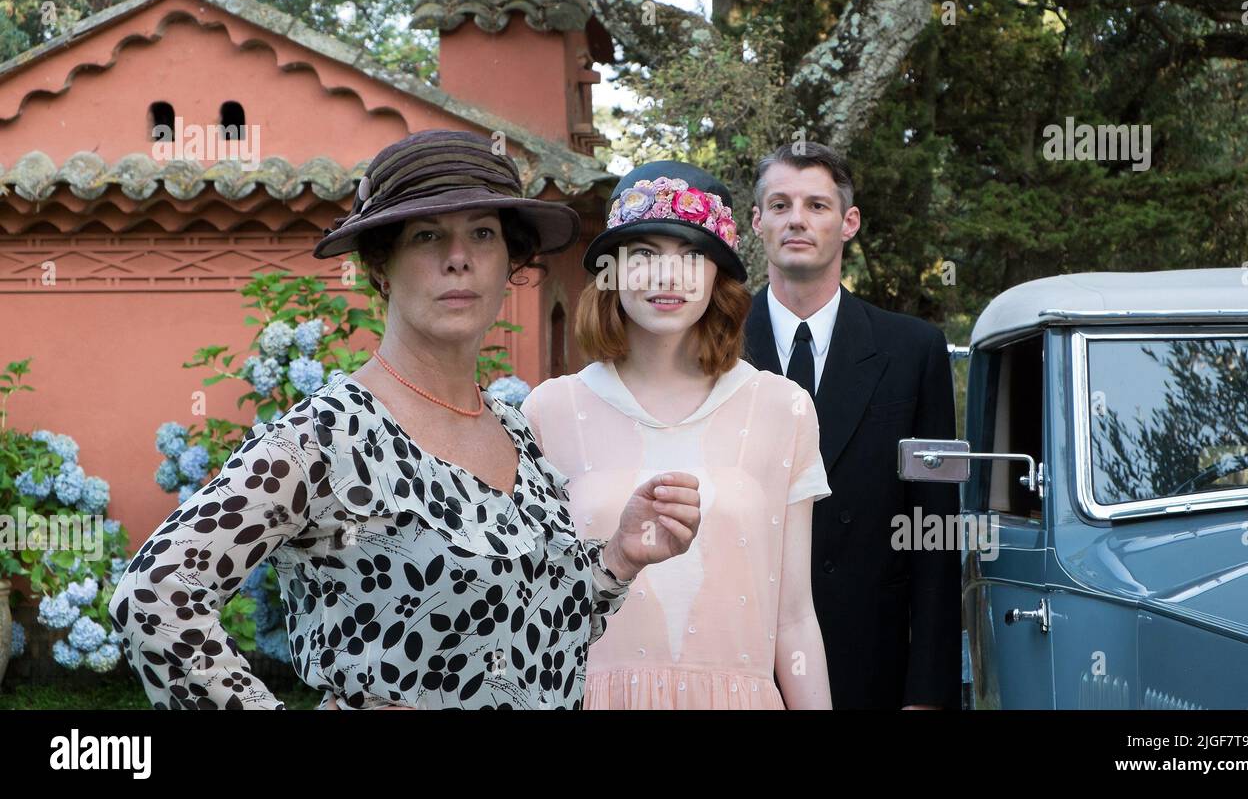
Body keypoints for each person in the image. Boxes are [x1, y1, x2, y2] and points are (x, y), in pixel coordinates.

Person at [109, 129, 700, 709]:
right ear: (382, 266)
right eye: (426, 236)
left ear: (509, 262)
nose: (459, 259)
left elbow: (534, 639)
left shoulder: (514, 430)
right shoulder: (327, 437)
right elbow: (155, 596)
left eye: (483, 234)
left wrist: (620, 557)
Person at [521, 160, 833, 709]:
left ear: (718, 276)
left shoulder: (783, 408)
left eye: (692, 257)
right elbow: (535, 608)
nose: (668, 278)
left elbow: (794, 616)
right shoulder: (550, 410)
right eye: (642, 255)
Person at [742, 140, 961, 710]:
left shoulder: (915, 350)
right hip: (735, 657)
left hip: (871, 662)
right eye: (781, 203)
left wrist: (929, 691)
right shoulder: (710, 346)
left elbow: (936, 527)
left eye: (817, 205)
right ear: (757, 220)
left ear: (848, 222)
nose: (798, 219)